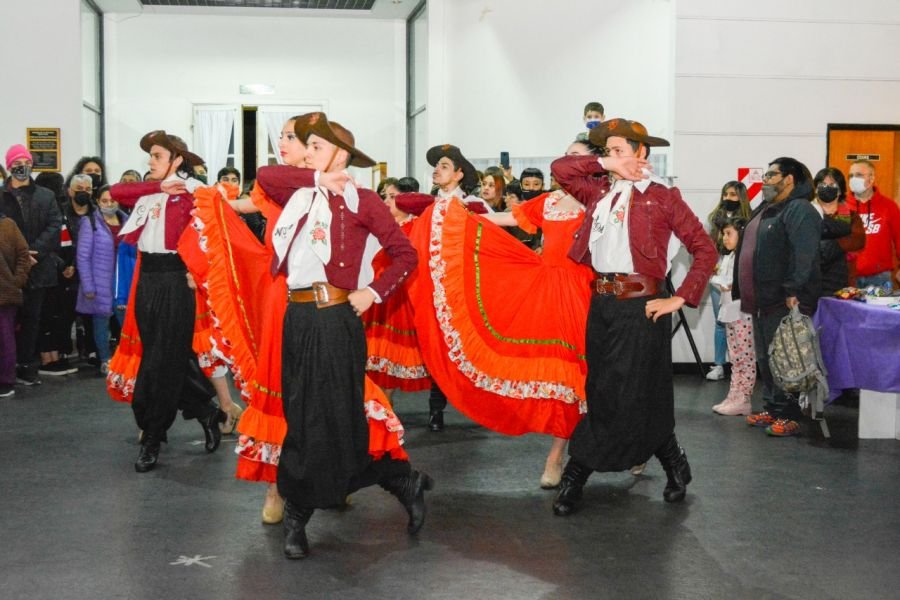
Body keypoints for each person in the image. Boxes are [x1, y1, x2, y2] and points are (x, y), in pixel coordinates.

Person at [235, 112, 431, 559]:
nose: (307, 153)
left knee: (334, 421)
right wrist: (318, 173)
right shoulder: (299, 193)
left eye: (317, 147)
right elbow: (266, 174)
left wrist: (372, 292)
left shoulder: (362, 199)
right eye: (308, 147)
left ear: (340, 154)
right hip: (298, 318)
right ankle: (402, 481)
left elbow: (404, 253)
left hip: (337, 318)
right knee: (303, 415)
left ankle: (297, 516)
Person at [408, 138, 597, 488]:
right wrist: (461, 219)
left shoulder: (598, 203)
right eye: (566, 154)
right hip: (547, 287)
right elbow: (509, 217)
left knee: (580, 373)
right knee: (555, 371)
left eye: (576, 156)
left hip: (582, 289)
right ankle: (558, 454)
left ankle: (583, 451)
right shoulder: (551, 201)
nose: (568, 160)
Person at [550, 118, 717, 515]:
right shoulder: (599, 190)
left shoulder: (663, 197)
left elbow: (705, 249)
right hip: (603, 305)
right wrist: (608, 166)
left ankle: (577, 471)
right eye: (606, 151)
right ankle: (675, 463)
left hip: (641, 307)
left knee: (625, 394)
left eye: (619, 150)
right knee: (608, 390)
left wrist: (679, 299)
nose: (611, 156)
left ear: (642, 152)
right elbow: (560, 169)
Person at [107, 130, 225, 472]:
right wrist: (157, 186)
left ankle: (153, 436)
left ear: (176, 159)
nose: (150, 161)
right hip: (147, 280)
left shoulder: (195, 191)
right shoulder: (150, 190)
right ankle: (205, 410)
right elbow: (116, 192)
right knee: (160, 356)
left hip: (177, 280)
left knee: (163, 361)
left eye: (157, 156)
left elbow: (211, 235)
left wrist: (198, 271)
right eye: (151, 156)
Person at [736, 157, 821, 438]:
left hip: (784, 300)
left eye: (773, 175)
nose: (766, 180)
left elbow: (804, 254)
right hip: (760, 300)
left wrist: (793, 290)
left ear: (789, 179)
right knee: (767, 358)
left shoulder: (800, 209)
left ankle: (790, 414)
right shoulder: (768, 207)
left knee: (787, 358)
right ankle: (773, 408)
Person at [0, 145, 61, 386]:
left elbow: (55, 224)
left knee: (32, 319)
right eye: (16, 162)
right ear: (8, 166)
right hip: (6, 270)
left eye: (25, 162)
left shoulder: (46, 195)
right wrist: (19, 256)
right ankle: (6, 368)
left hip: (39, 266)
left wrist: (32, 251)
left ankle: (26, 365)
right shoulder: (1, 195)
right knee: (6, 323)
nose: (21, 166)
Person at [38, 173, 92, 376]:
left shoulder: (88, 214)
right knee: (51, 314)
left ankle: (60, 354)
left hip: (74, 270)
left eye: (88, 189)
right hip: (54, 271)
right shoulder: (56, 214)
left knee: (65, 314)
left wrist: (73, 265)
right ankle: (49, 358)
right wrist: (64, 266)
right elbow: (52, 244)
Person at [75, 185, 127, 375]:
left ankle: (128, 359)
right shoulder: (90, 222)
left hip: (121, 282)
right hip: (99, 281)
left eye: (112, 200)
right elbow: (82, 256)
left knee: (126, 323)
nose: (109, 204)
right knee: (101, 322)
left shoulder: (127, 221)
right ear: (97, 201)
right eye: (104, 200)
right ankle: (105, 359)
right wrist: (88, 285)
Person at [705, 181, 752, 381]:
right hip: (718, 277)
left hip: (740, 277)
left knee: (741, 323)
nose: (727, 199)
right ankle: (718, 364)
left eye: (733, 195)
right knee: (719, 322)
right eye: (725, 194)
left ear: (741, 197)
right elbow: (707, 248)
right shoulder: (714, 220)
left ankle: (741, 365)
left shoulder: (749, 220)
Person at [710, 218, 754, 416]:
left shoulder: (745, 258)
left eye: (729, 234)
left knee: (745, 357)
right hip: (729, 312)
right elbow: (720, 279)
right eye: (724, 234)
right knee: (735, 357)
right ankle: (734, 395)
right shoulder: (729, 257)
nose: (724, 238)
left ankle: (744, 397)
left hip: (742, 313)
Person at [844, 159, 900, 291]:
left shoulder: (888, 206)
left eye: (858, 175)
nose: (853, 179)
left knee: (879, 312)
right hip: (848, 277)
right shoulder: (842, 206)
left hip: (880, 277)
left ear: (871, 178)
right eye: (850, 176)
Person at [812, 167, 865, 296]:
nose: (827, 188)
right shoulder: (807, 213)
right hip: (811, 279)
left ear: (840, 190)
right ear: (815, 189)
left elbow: (858, 240)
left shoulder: (851, 216)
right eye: (822, 184)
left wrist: (833, 245)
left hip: (842, 280)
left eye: (832, 185)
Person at [0, 208, 33, 397]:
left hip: (5, 294)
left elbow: (23, 254)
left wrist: (16, 281)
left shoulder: (8, 225)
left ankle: (6, 380)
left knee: (5, 340)